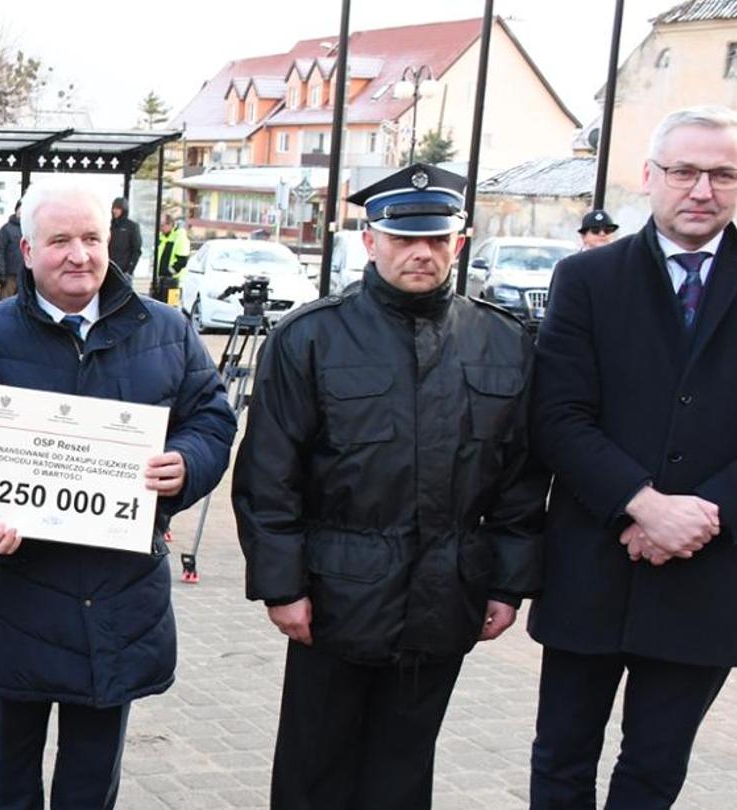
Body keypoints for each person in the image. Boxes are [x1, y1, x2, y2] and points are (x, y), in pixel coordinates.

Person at [232, 163, 546, 810]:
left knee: (403, 772)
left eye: (436, 239)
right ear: (370, 241)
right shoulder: (312, 337)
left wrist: (510, 583)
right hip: (335, 593)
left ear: (459, 241)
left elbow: (520, 478)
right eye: (403, 238)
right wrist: (282, 585)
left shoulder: (502, 341)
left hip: (445, 595)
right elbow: (269, 475)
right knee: (315, 767)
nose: (421, 253)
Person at [0, 182, 235, 809]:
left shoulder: (167, 330)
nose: (79, 255)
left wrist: (189, 463)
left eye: (91, 238)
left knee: (93, 775)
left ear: (110, 243)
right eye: (60, 241)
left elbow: (212, 418)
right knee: (8, 771)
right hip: (22, 589)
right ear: (28, 250)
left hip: (119, 592)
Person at [529, 106, 737, 810]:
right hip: (593, 562)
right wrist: (644, 504)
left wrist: (703, 517)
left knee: (655, 771)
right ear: (649, 176)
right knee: (562, 760)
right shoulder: (587, 279)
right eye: (684, 171)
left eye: (723, 174)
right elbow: (557, 416)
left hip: (710, 572)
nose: (702, 190)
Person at [152, 214, 190, 304]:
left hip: (173, 282)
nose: (160, 228)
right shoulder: (162, 236)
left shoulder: (179, 236)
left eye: (162, 225)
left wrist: (169, 272)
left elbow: (182, 261)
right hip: (160, 280)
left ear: (170, 224)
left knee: (171, 307)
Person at [0, 200, 23, 298]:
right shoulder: (6, 229)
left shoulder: (30, 229)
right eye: (21, 208)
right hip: (9, 276)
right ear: (16, 210)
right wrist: (2, 274)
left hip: (25, 276)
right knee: (5, 305)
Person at [108, 195, 143, 278]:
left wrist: (129, 271)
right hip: (109, 270)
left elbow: (137, 250)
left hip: (124, 273)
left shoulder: (132, 226)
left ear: (123, 210)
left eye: (117, 208)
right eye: (114, 208)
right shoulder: (110, 225)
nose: (114, 211)